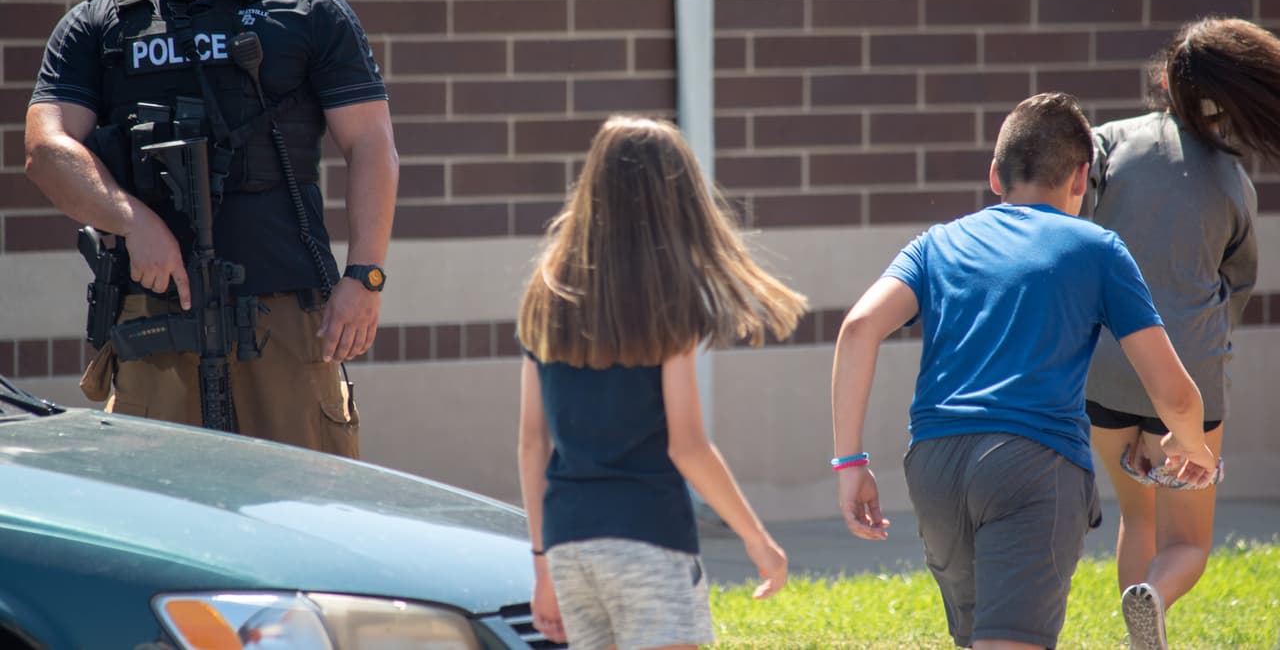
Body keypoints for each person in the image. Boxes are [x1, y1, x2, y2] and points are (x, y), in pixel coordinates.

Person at [24, 0, 398, 458]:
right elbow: (45, 148)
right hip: (155, 319)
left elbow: (371, 145)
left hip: (282, 312)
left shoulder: (306, 13)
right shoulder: (101, 23)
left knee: (305, 498)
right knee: (156, 502)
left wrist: (366, 274)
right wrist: (132, 220)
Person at [830, 92, 1218, 650]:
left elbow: (858, 328)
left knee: (978, 637)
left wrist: (850, 463)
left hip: (935, 465)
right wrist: (1192, 446)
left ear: (995, 175)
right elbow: (1175, 396)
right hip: (1033, 463)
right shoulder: (1099, 249)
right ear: (1081, 178)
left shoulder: (935, 244)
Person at [515, 114, 807, 649]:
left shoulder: (546, 291)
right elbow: (688, 447)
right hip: (649, 537)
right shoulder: (667, 300)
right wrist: (758, 539)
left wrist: (542, 565)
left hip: (568, 546)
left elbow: (533, 443)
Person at [1085, 17, 1277, 650]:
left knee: (1136, 516)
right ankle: (1155, 596)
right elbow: (1235, 286)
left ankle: (1136, 627)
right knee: (1187, 541)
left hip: (1106, 367)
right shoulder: (1232, 180)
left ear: (1165, 81)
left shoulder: (1109, 143)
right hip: (1190, 376)